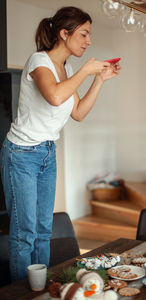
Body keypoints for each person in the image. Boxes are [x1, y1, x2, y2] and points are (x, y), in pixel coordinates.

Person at [0, 6, 120, 281]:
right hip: (21, 154)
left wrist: (99, 79)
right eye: (84, 34)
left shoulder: (67, 67)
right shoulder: (38, 61)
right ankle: (20, 292)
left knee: (44, 230)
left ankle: (41, 288)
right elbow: (54, 96)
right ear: (64, 34)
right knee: (24, 232)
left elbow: (77, 113)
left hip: (46, 154)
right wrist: (86, 71)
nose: (88, 41)